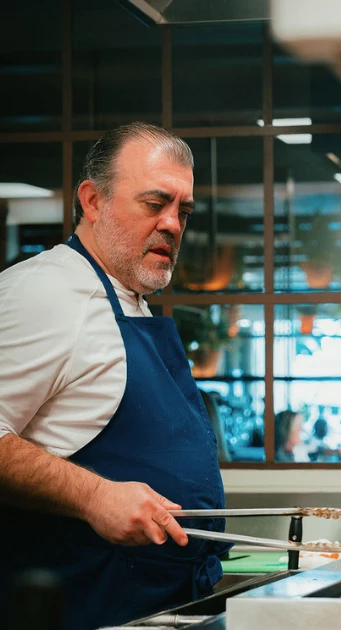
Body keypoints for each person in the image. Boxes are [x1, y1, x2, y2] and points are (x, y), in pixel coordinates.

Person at [0, 122, 231, 630]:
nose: (172, 224)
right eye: (155, 203)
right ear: (93, 200)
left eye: (183, 210)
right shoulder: (44, 292)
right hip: (84, 608)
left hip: (160, 608)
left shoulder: (130, 302)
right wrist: (95, 495)